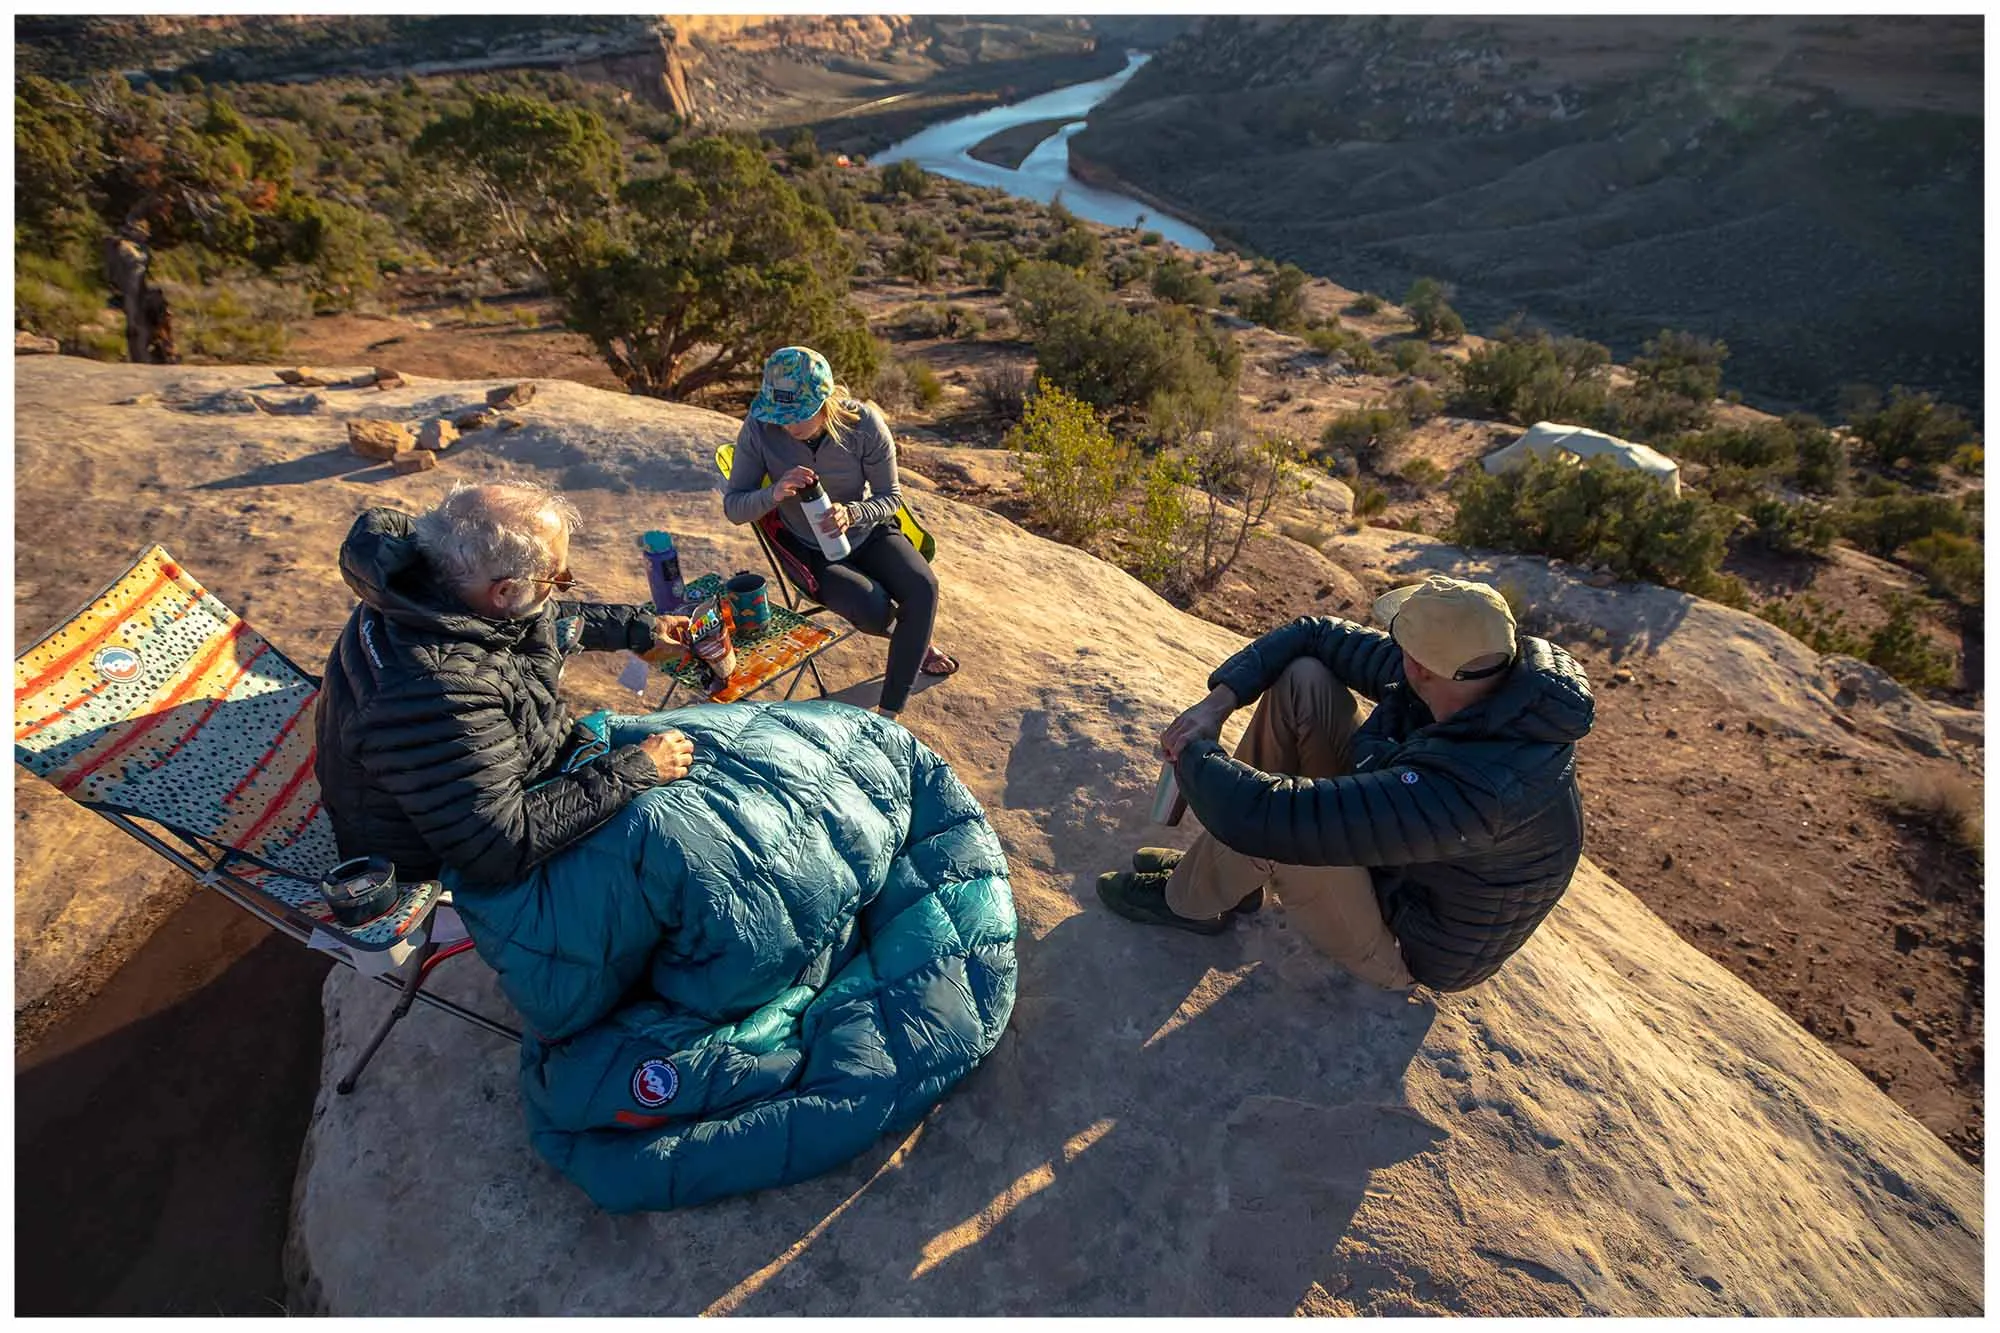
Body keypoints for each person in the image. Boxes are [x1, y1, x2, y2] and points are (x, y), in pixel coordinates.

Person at [1097, 574, 1595, 992]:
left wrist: (1193, 753)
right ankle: (1235, 886)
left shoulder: (1482, 791)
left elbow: (1268, 817)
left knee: (1291, 836)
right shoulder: (1483, 679)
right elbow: (1314, 635)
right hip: (1403, 856)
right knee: (1305, 679)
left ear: (1419, 665)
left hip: (1402, 940)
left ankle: (1191, 904)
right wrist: (1216, 706)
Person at [315, 481, 698, 891]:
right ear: (504, 591)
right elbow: (500, 848)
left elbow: (536, 620)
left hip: (504, 777)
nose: (564, 586)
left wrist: (640, 629)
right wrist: (637, 769)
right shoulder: (437, 692)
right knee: (689, 855)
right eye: (558, 578)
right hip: (439, 871)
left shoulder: (424, 581)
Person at [723, 345, 957, 720]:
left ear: (826, 400)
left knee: (923, 586)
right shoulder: (759, 428)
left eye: (798, 415)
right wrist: (774, 492)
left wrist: (853, 513)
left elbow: (890, 498)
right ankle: (914, 639)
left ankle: (889, 713)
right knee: (870, 606)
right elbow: (734, 507)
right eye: (781, 415)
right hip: (810, 547)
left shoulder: (864, 425)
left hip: (867, 530)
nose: (787, 425)